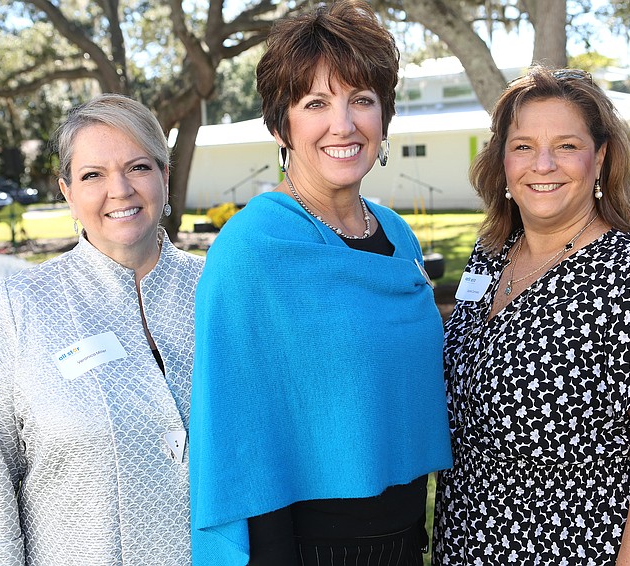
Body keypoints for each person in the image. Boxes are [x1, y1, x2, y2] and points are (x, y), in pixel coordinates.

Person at [432, 66, 630, 565]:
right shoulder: (490, 255)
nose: (543, 164)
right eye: (523, 145)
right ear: (502, 159)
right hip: (471, 544)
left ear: (601, 159)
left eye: (567, 146)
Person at [188, 2, 452, 565]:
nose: (344, 124)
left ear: (384, 115)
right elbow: (241, 432)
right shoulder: (253, 248)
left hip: (407, 536)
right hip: (310, 548)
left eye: (362, 100)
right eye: (316, 103)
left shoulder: (398, 236)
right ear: (281, 124)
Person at [0, 94, 204, 565]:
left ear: (165, 177)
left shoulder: (218, 292)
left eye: (138, 168)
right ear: (67, 192)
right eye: (93, 175)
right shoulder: (23, 308)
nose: (121, 190)